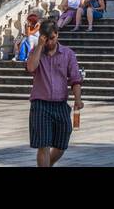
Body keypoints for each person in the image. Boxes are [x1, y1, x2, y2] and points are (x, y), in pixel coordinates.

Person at [25, 19, 84, 167]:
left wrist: (78, 99)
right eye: (46, 39)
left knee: (62, 143)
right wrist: (39, 46)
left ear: (57, 35)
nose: (50, 42)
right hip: (40, 104)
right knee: (43, 144)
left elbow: (75, 79)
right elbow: (31, 68)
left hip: (60, 104)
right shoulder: (36, 52)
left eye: (52, 38)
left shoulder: (68, 54)